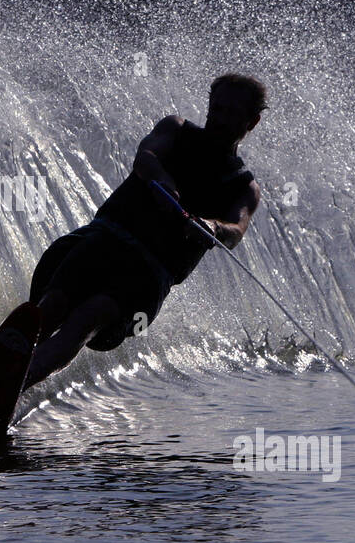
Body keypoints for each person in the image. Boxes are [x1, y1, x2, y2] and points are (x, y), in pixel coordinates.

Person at [19, 73, 266, 388]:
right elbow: (146, 156)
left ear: (252, 122)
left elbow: (236, 229)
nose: (220, 119)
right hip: (103, 242)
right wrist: (161, 178)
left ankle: (15, 386)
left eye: (232, 114)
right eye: (217, 109)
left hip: (148, 276)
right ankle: (1, 371)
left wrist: (213, 226)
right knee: (53, 305)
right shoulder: (175, 130)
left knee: (88, 318)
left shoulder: (244, 187)